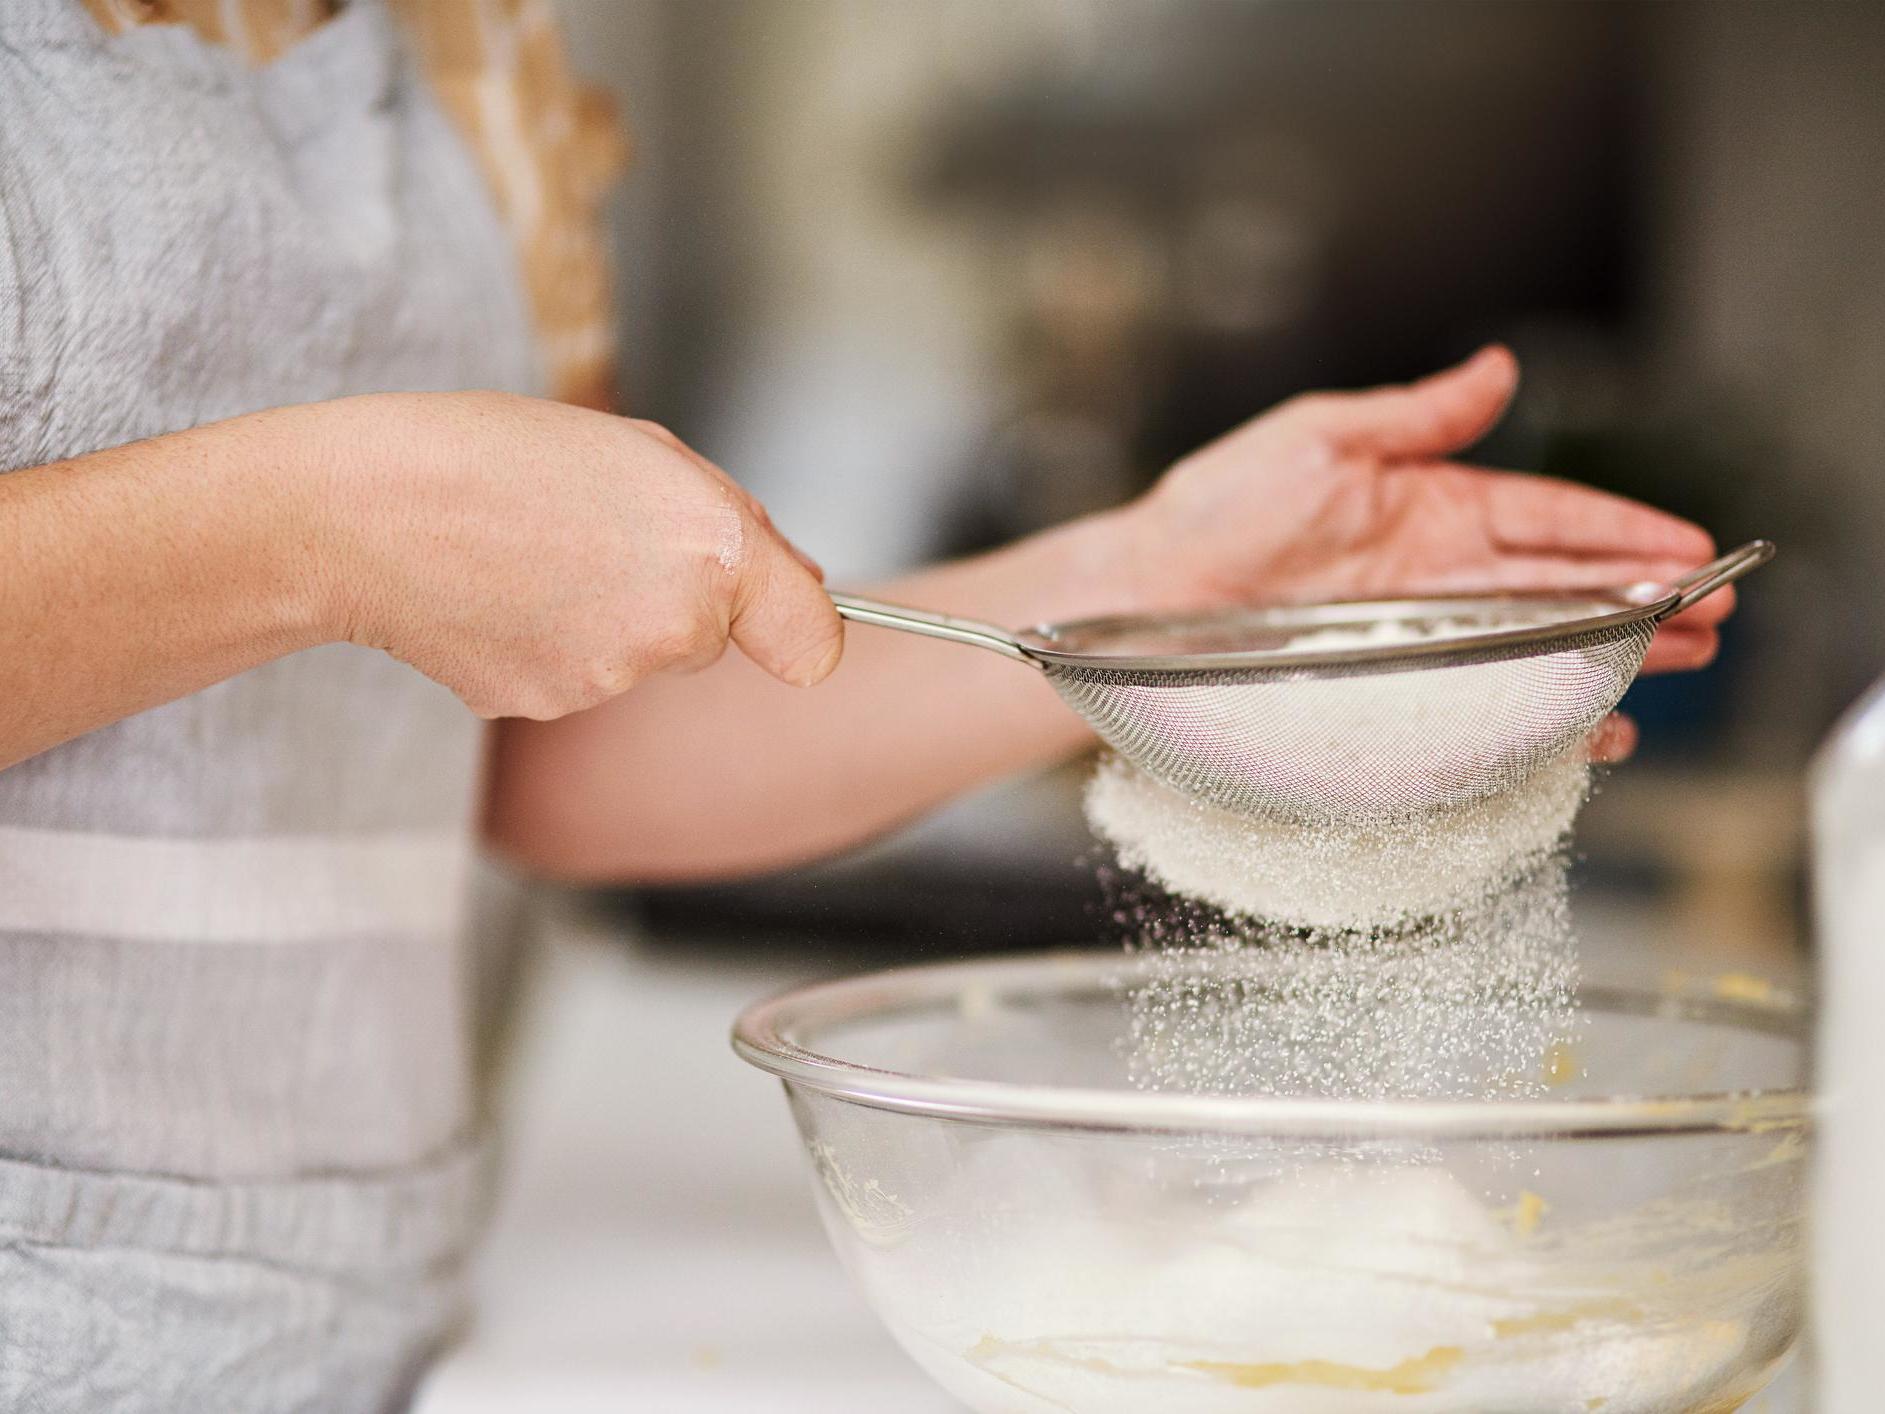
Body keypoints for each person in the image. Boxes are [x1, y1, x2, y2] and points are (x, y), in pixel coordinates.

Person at [0, 1, 1732, 1409]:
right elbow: (356, 556)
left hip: (368, 1320)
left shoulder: (466, 56)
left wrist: (1166, 605)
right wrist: (331, 522)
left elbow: (527, 755)